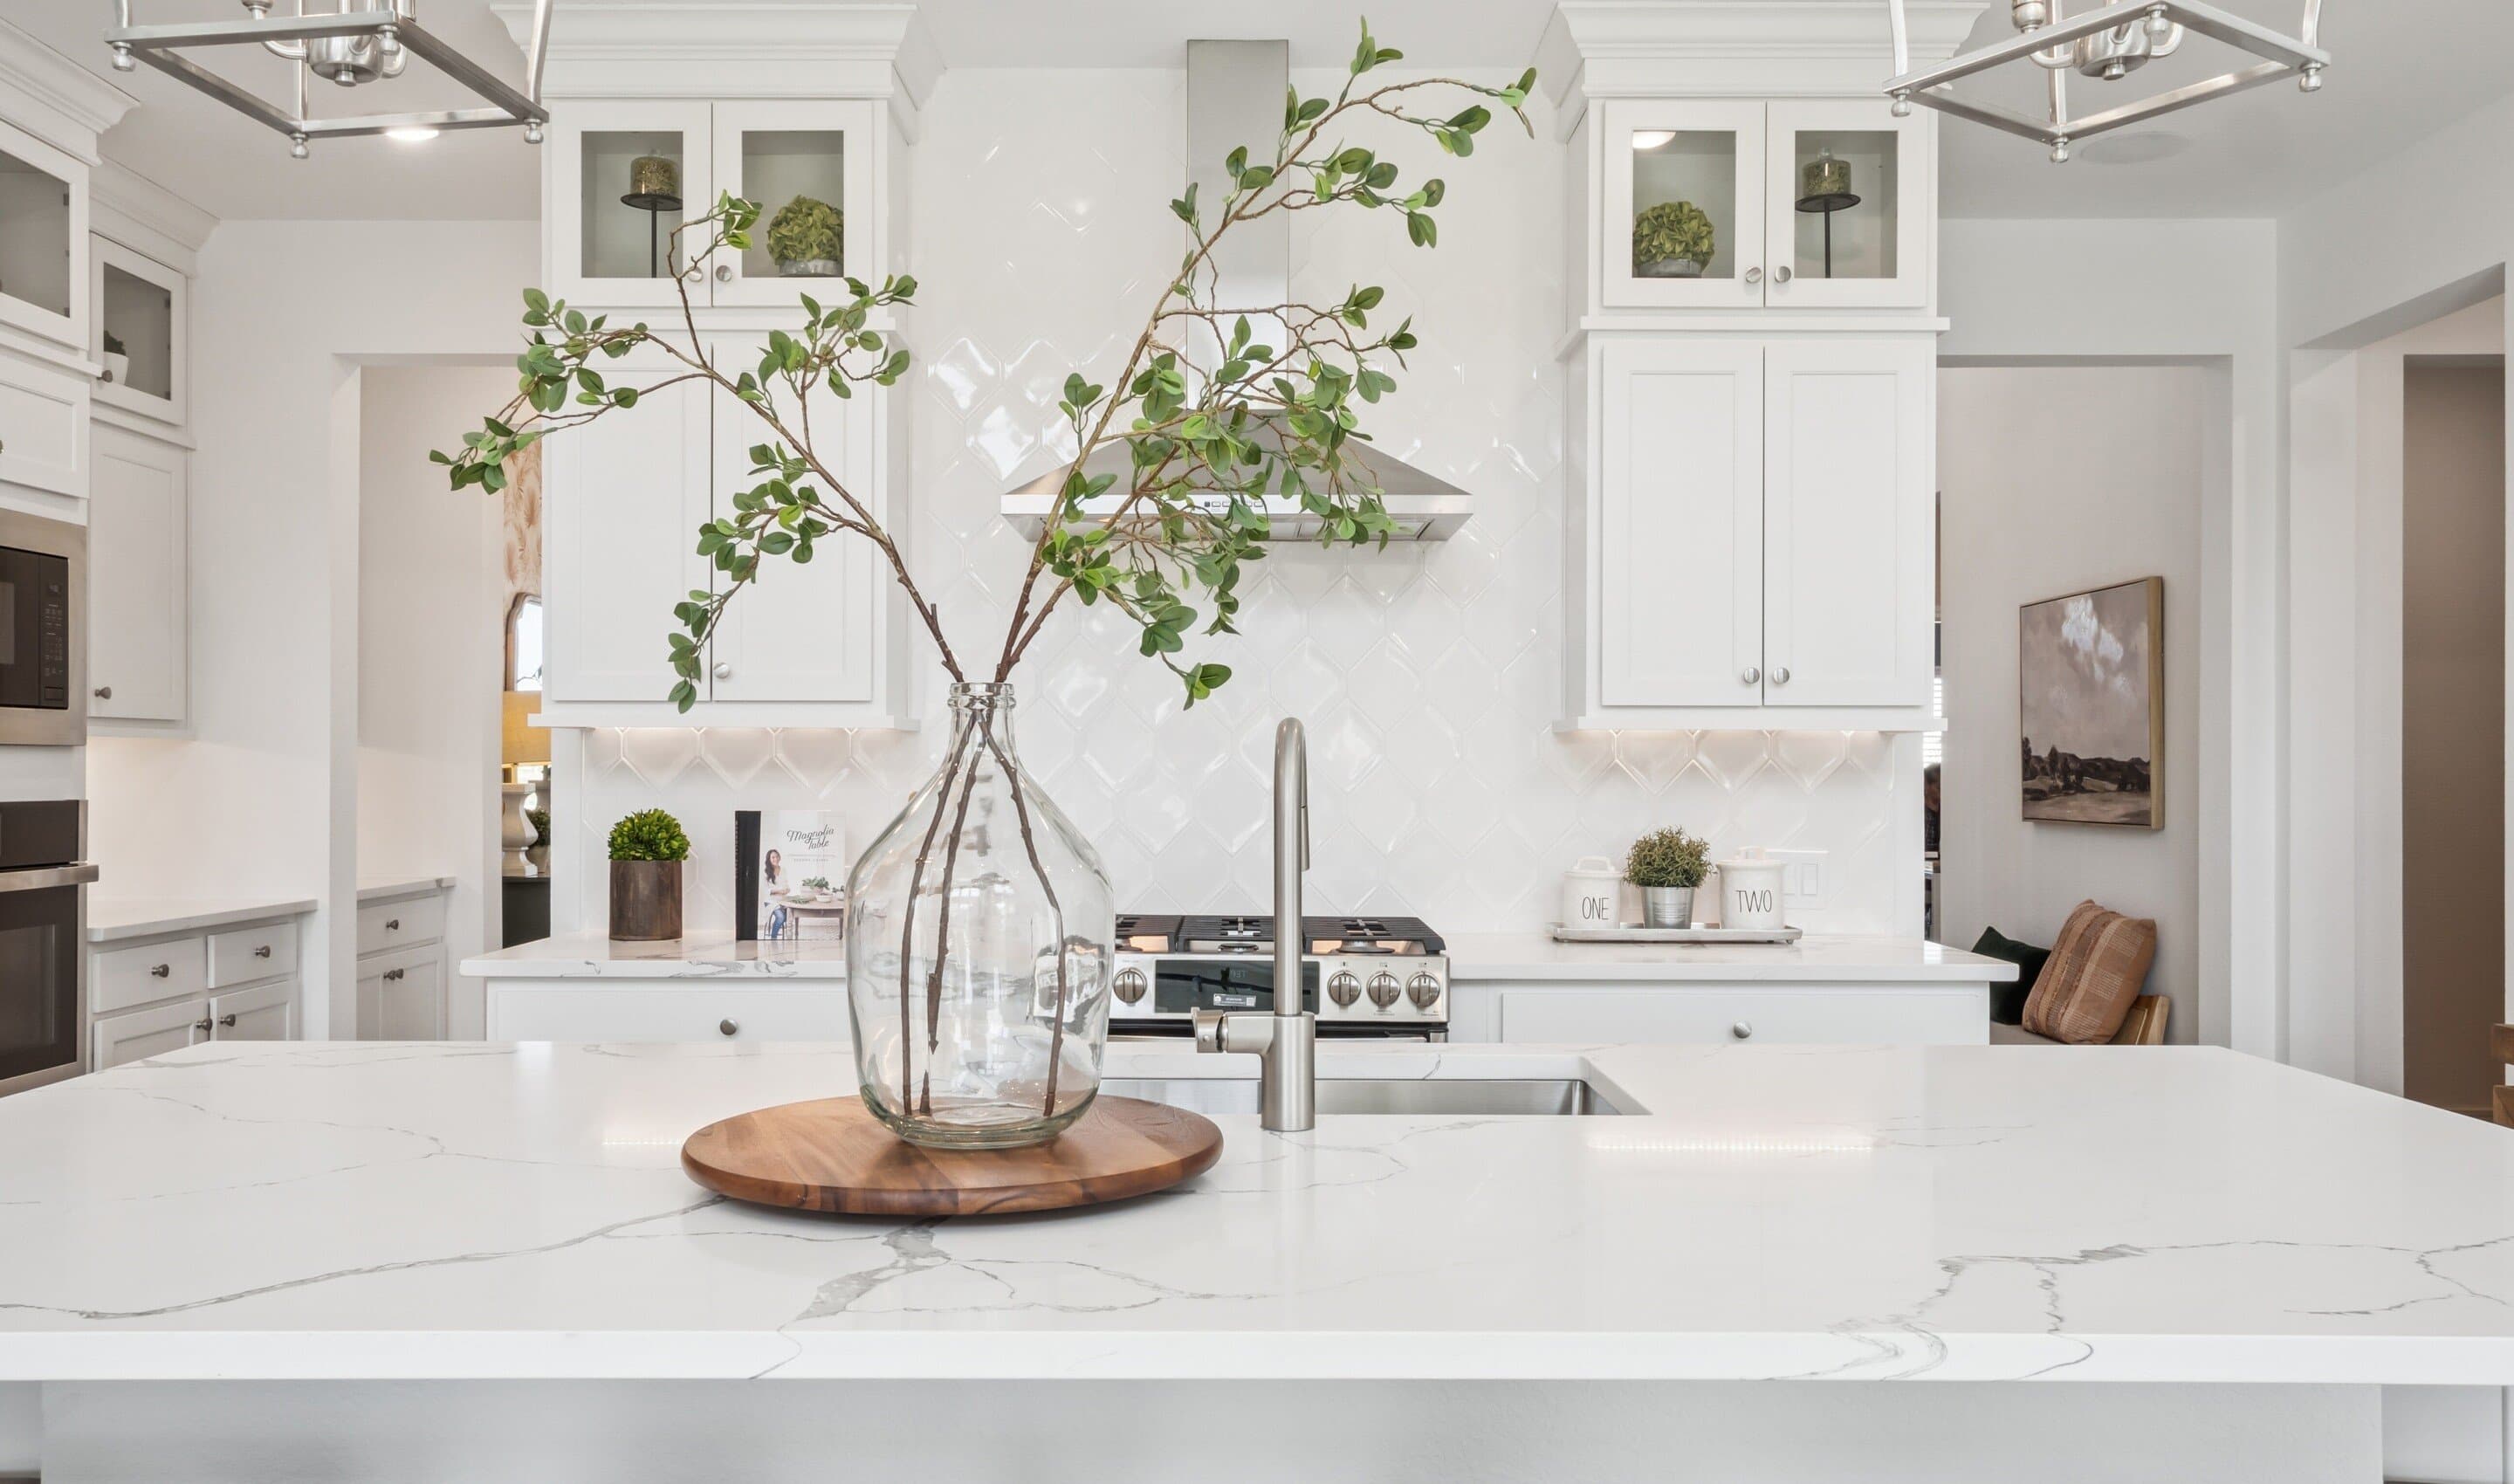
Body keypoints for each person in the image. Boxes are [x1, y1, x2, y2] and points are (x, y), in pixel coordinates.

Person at [763, 848, 790, 940]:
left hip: (782, 900)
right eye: (773, 857)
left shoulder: (784, 870)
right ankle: (773, 938)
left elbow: (786, 884)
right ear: (769, 859)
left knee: (790, 915)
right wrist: (779, 891)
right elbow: (765, 890)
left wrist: (787, 889)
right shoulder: (765, 872)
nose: (776, 859)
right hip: (771, 902)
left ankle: (781, 934)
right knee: (781, 917)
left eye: (777, 856)